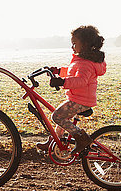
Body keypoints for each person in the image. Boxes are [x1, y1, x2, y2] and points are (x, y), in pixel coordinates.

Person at [36, 25, 107, 155]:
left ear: (85, 44)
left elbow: (80, 81)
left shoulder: (85, 63)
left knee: (56, 116)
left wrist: (63, 82)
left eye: (74, 44)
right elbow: (72, 72)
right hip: (79, 98)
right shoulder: (83, 60)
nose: (72, 47)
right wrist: (58, 71)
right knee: (63, 119)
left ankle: (81, 137)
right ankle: (54, 142)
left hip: (81, 100)